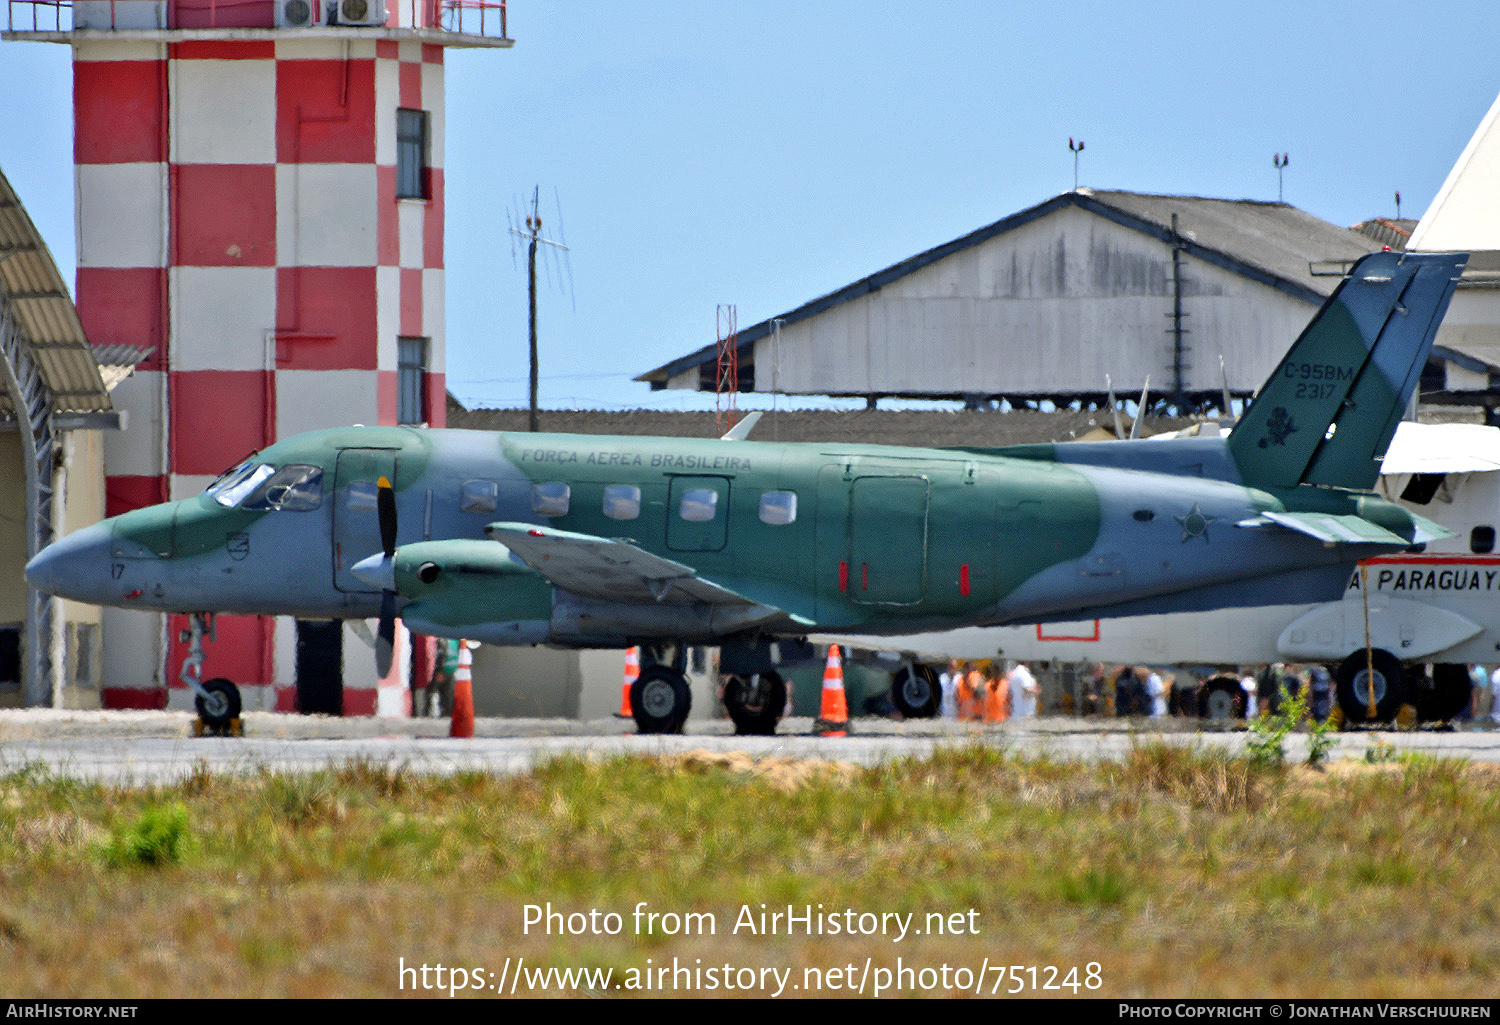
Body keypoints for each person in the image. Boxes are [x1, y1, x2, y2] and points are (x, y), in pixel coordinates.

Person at [422, 637, 459, 717]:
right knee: (443, 698)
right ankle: (439, 715)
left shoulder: (445, 639)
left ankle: (434, 715)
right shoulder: (451, 639)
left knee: (439, 697)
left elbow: (442, 654)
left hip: (445, 671)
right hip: (447, 670)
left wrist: (440, 670)